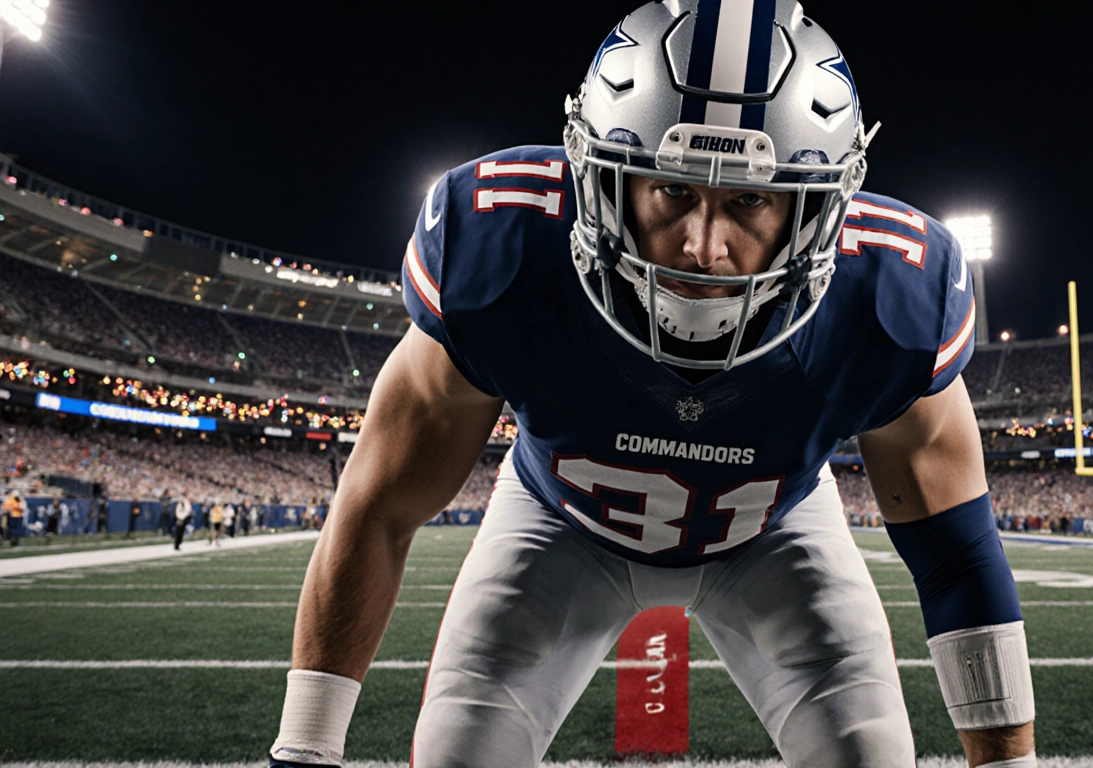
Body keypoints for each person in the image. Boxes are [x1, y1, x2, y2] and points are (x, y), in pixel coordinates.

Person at [269, 4, 1036, 767]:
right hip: (559, 525)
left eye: (751, 199)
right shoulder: (504, 252)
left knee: (870, 758)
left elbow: (957, 558)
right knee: (459, 756)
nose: (703, 249)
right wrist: (304, 748)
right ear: (599, 176)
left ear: (819, 208)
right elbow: (376, 507)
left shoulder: (889, 295)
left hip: (771, 535)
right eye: (670, 191)